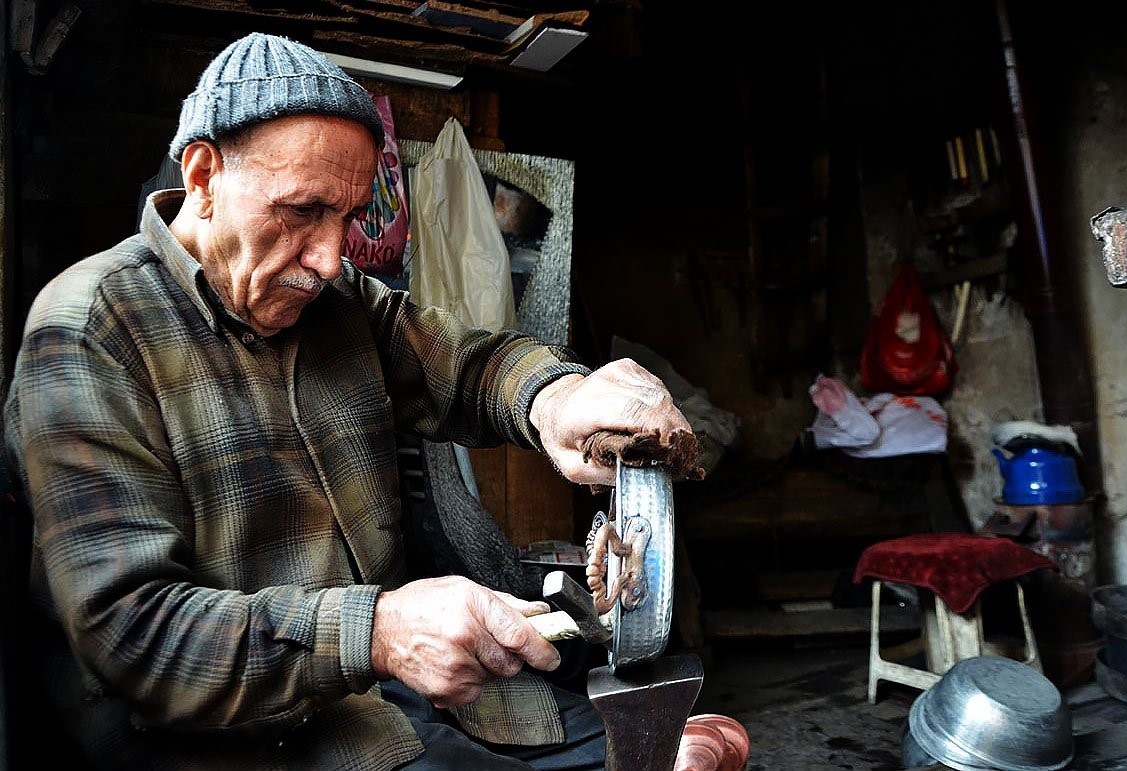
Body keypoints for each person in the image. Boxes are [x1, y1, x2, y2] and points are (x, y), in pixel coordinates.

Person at [1, 32, 702, 770]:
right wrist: (380, 630)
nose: (331, 257)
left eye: (349, 216)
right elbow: (132, 637)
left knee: (692, 748)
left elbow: (468, 366)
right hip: (237, 736)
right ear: (203, 175)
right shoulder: (89, 331)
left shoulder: (338, 301)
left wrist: (559, 398)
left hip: (400, 697)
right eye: (302, 210)